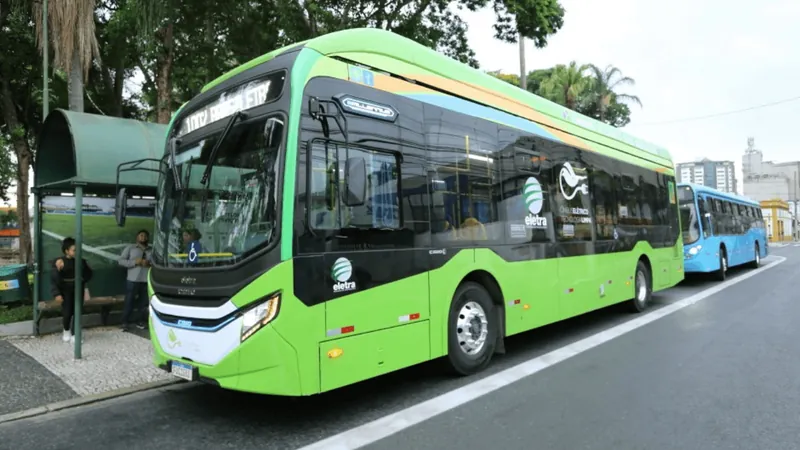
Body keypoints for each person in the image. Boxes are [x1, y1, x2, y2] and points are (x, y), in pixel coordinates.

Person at [51, 237, 93, 343]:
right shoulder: (60, 262)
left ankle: (75, 334)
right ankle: (66, 330)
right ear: (67, 251)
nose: (77, 252)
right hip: (66, 291)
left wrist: (83, 279)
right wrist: (57, 293)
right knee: (67, 312)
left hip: (78, 289)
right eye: (74, 250)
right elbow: (54, 279)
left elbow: (89, 274)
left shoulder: (81, 261)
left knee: (77, 311)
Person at [118, 229, 152, 331]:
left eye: (145, 236)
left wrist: (149, 264)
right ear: (137, 238)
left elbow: (157, 263)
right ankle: (124, 322)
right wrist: (135, 262)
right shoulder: (130, 248)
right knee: (129, 301)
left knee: (143, 303)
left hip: (146, 280)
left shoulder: (151, 250)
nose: (143, 237)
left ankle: (140, 321)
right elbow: (121, 261)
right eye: (141, 235)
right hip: (132, 280)